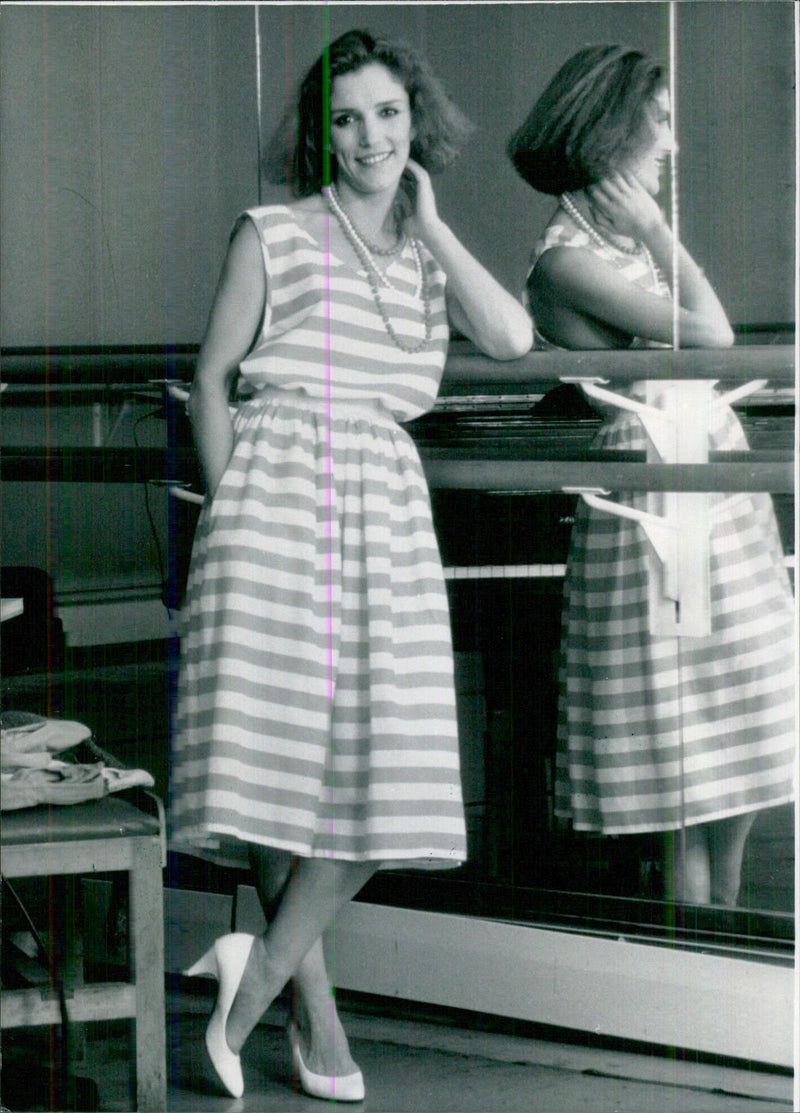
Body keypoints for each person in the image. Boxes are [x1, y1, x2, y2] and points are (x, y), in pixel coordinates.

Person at [172, 28, 532, 1102]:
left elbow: (511, 341)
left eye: (385, 114)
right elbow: (211, 379)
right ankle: (313, 1015)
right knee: (276, 768)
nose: (367, 136)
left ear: (413, 121)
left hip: (382, 506)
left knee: (391, 773)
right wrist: (234, 507)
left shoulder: (426, 253)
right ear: (318, 132)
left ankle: (254, 981)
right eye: (344, 118)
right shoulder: (273, 233)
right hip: (275, 495)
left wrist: (431, 223)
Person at [507, 45, 795, 907]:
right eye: (659, 121)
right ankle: (694, 951)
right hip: (652, 496)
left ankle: (724, 926)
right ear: (609, 135)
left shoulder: (613, 240)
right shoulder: (565, 258)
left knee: (742, 710)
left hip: (707, 475)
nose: (670, 142)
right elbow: (713, 336)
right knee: (677, 747)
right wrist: (660, 234)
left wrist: (648, 235)